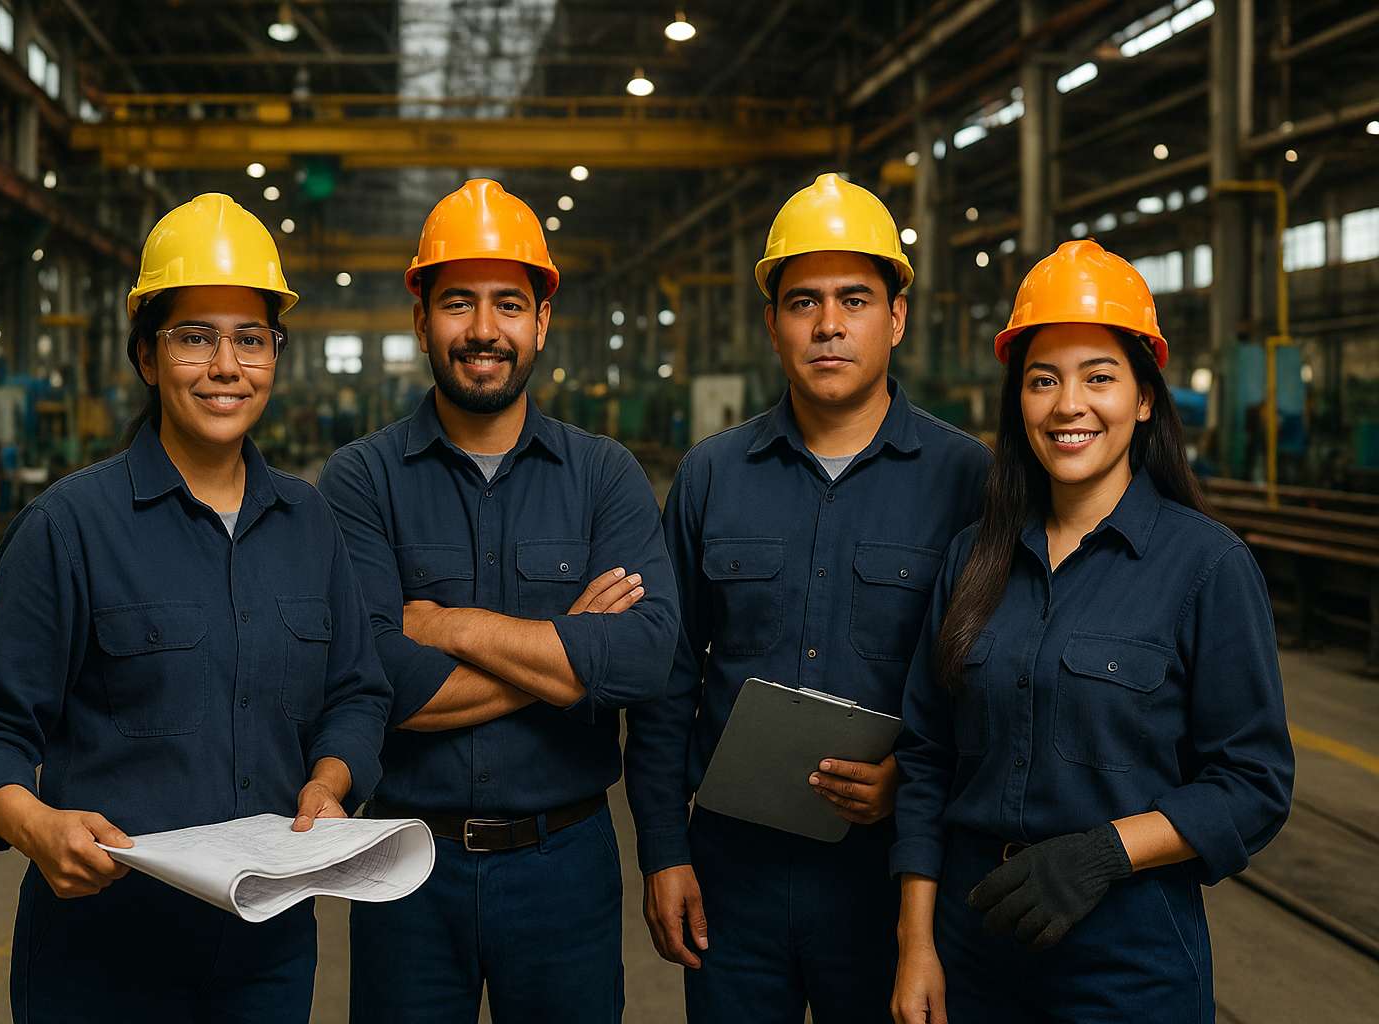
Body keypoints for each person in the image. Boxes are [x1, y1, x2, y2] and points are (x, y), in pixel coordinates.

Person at [0, 193, 392, 1023]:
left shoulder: (308, 521)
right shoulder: (68, 528)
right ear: (148, 357)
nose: (227, 366)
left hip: (268, 949)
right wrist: (36, 825)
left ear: (274, 357)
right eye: (195, 337)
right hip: (102, 958)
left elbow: (357, 693)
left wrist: (331, 783)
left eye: (250, 340)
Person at [889, 240, 1295, 1024]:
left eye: (1099, 377)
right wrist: (917, 946)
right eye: (1043, 380)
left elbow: (1253, 784)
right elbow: (926, 761)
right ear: (1019, 403)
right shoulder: (973, 560)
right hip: (972, 944)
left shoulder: (1205, 567)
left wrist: (1106, 851)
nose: (1068, 404)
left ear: (1145, 398)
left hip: (1127, 956)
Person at [623, 172, 992, 1023]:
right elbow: (666, 680)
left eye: (855, 299)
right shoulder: (712, 475)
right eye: (804, 301)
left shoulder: (966, 480)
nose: (829, 324)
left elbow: (995, 679)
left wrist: (908, 778)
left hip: (892, 876)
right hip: (732, 874)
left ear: (895, 317)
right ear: (773, 322)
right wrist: (662, 851)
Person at [317, 178, 679, 1024]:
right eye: (458, 303)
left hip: (567, 864)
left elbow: (645, 656)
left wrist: (450, 626)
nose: (484, 330)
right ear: (422, 319)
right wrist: (571, 651)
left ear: (542, 321)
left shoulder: (605, 476)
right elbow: (377, 680)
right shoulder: (360, 481)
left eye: (508, 305)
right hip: (405, 864)